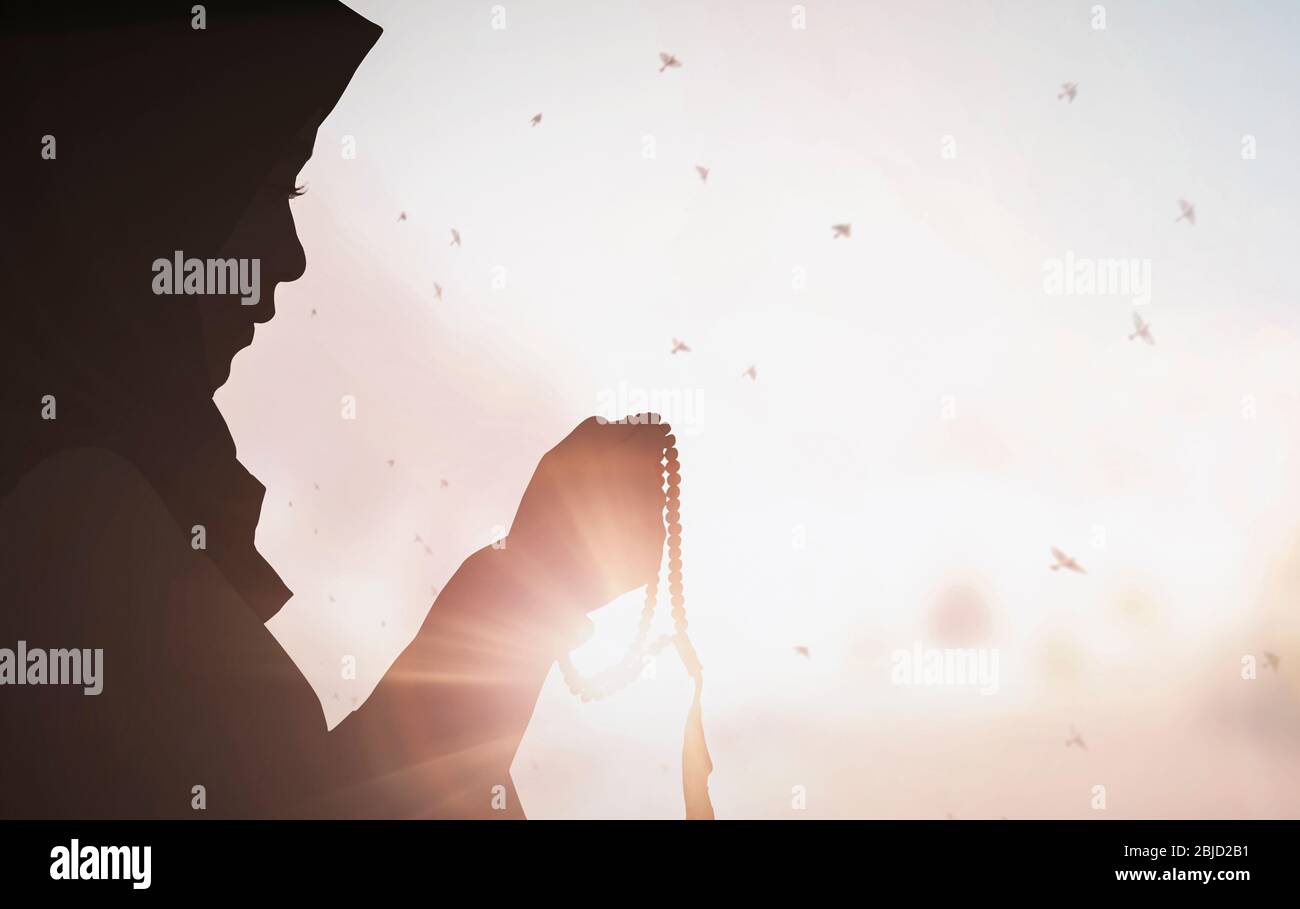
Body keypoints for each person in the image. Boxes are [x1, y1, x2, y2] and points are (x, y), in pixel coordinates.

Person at [0, 0, 671, 818]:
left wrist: (532, 580)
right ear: (165, 190)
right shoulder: (71, 517)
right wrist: (532, 583)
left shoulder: (78, 499)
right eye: (275, 182)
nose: (289, 256)